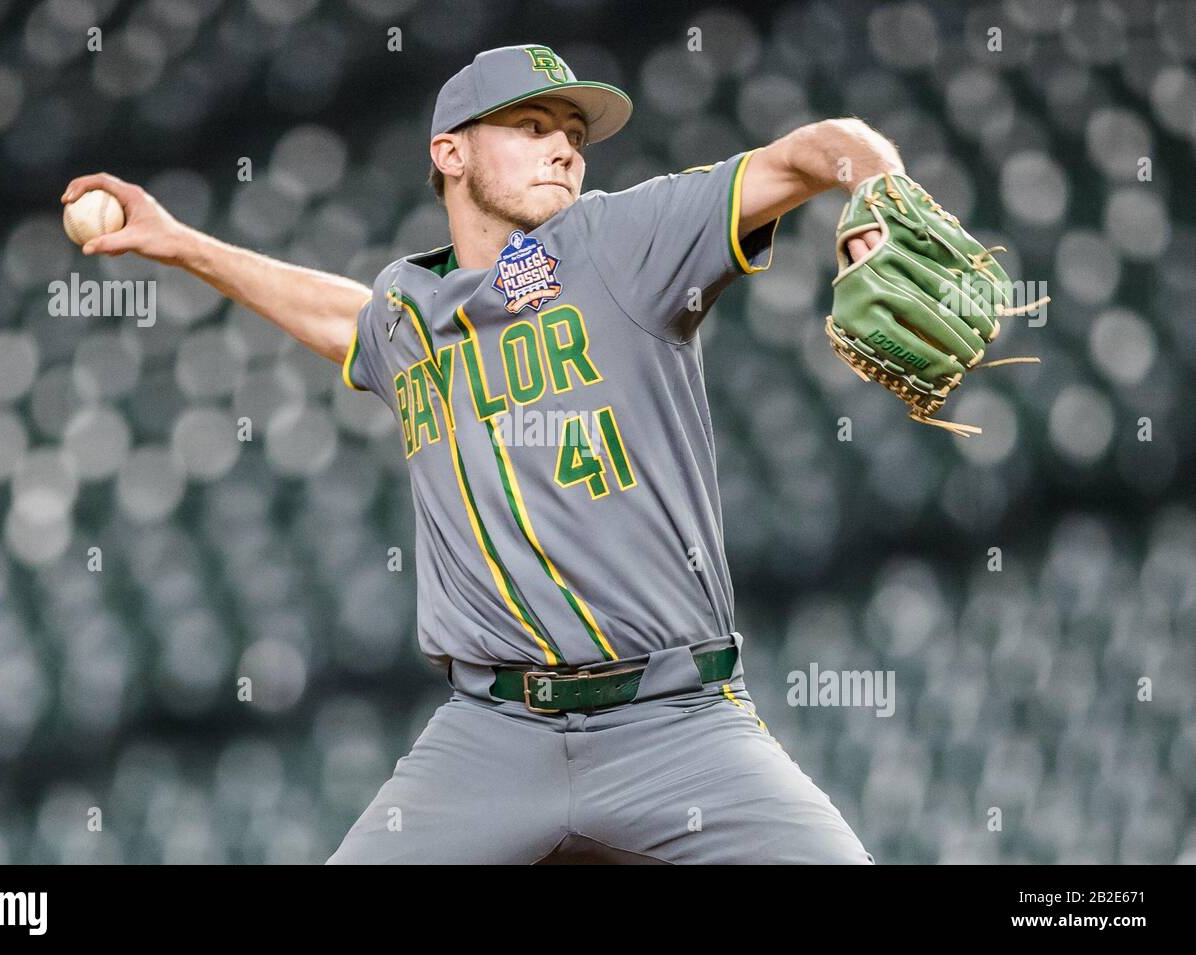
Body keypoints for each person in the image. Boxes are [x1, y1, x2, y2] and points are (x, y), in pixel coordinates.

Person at [63, 44, 891, 864]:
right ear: (449, 152)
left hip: (677, 722)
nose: (565, 147)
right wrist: (179, 244)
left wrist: (877, 196)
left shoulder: (626, 240)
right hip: (492, 735)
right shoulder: (408, 311)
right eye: (531, 125)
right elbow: (349, 321)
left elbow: (818, 149)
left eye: (573, 131)